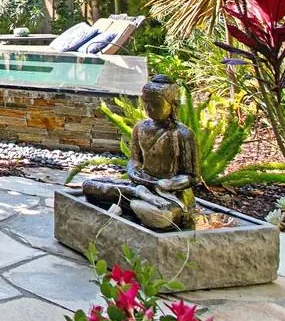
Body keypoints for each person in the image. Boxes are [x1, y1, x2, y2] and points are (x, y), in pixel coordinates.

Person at [82, 74, 198, 231]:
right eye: (145, 103)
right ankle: (137, 197)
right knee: (89, 185)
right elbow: (135, 160)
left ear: (172, 105)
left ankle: (132, 202)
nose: (149, 108)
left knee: (166, 215)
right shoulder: (140, 127)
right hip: (142, 184)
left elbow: (192, 177)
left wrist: (170, 183)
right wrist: (133, 170)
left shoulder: (182, 134)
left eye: (155, 104)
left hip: (168, 195)